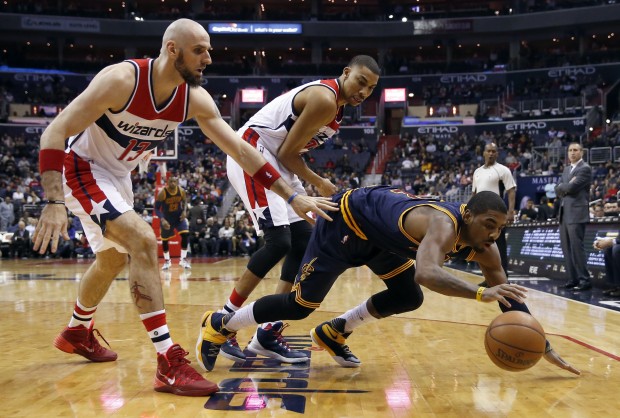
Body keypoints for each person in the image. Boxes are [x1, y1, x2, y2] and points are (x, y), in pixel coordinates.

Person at [31, 18, 337, 397]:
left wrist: (292, 196)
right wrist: (53, 201)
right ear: (172, 49)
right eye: (200, 50)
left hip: (117, 176)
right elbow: (54, 131)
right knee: (144, 240)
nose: (208, 58)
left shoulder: (194, 98)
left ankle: (78, 329)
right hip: (82, 168)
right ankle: (168, 363)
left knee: (112, 259)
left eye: (209, 50)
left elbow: (241, 150)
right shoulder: (121, 80)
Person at [196, 186, 580, 376]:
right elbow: (429, 271)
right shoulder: (443, 224)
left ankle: (335, 332)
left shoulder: (486, 248)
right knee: (300, 306)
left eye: (501, 228)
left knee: (407, 295)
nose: (494, 234)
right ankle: (220, 324)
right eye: (489, 225)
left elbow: (508, 297)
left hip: (380, 239)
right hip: (345, 225)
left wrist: (539, 340)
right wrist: (481, 292)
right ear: (469, 215)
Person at [214, 55, 381, 367]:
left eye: (371, 89)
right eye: (361, 81)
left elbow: (290, 153)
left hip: (275, 160)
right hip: (252, 152)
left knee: (304, 240)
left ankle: (267, 332)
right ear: (346, 73)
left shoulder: (337, 107)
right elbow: (288, 153)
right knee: (279, 242)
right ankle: (222, 325)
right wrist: (320, 182)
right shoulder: (325, 99)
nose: (364, 91)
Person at [472, 142, 516, 281]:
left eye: (493, 151)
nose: (491, 153)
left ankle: (503, 277)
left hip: (496, 215)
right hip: (480, 215)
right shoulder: (477, 172)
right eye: (488, 151)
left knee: (499, 245)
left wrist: (510, 211)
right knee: (483, 247)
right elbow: (474, 194)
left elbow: (511, 191)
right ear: (484, 153)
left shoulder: (503, 170)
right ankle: (489, 278)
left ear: (497, 154)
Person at [555, 143, 592, 291]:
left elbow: (570, 188)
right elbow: (557, 189)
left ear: (581, 152)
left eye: (575, 150)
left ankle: (585, 280)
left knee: (577, 248)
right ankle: (573, 279)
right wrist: (564, 186)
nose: (572, 153)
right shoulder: (566, 169)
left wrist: (564, 186)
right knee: (566, 249)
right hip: (564, 213)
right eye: (570, 150)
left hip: (577, 214)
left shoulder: (585, 168)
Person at [155, 175, 191, 270]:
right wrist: (162, 219)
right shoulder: (163, 193)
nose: (172, 183)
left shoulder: (181, 191)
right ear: (167, 182)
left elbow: (185, 202)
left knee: (185, 235)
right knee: (165, 240)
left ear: (177, 182)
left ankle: (183, 260)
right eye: (171, 182)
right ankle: (167, 261)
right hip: (167, 219)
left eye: (174, 182)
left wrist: (184, 211)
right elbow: (156, 208)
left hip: (179, 218)